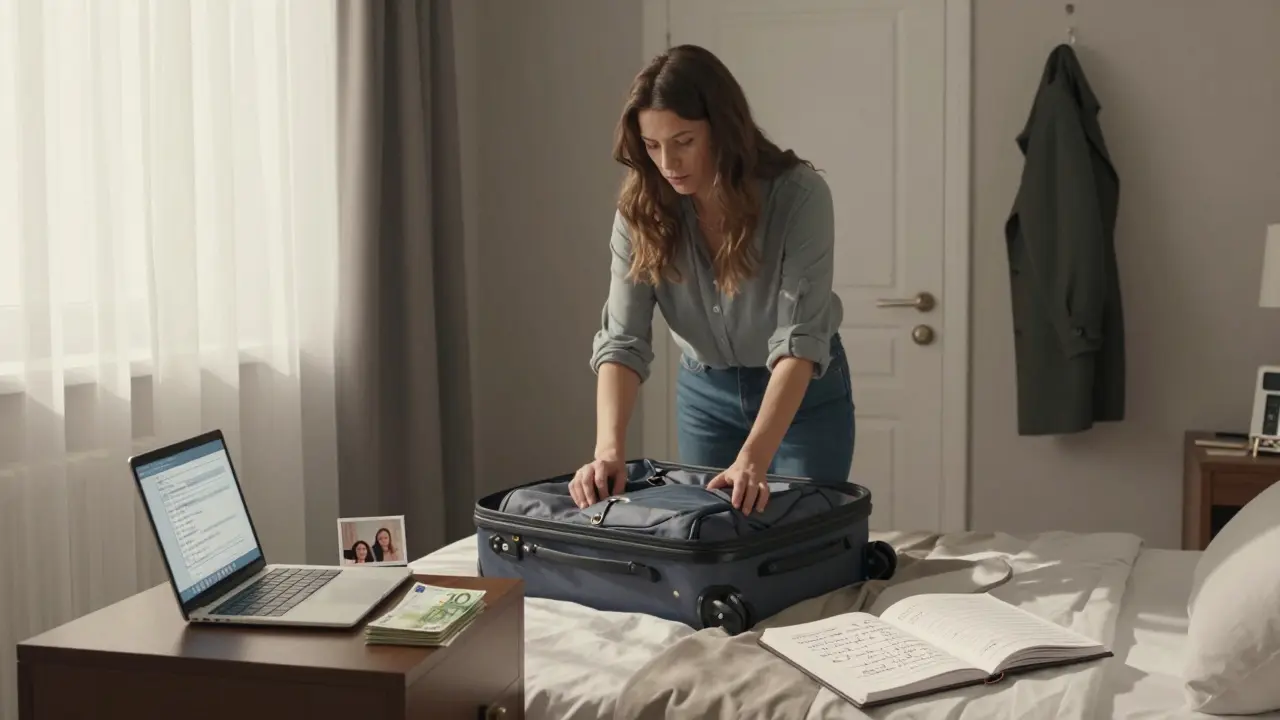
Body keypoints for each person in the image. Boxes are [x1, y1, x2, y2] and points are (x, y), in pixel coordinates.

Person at [570, 44, 854, 516]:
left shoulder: (799, 196)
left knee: (801, 536)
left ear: (723, 130)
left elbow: (800, 341)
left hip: (801, 397)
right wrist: (607, 451)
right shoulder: (640, 211)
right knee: (713, 538)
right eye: (652, 145)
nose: (668, 162)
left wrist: (752, 458)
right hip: (706, 398)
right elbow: (622, 339)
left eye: (684, 141)